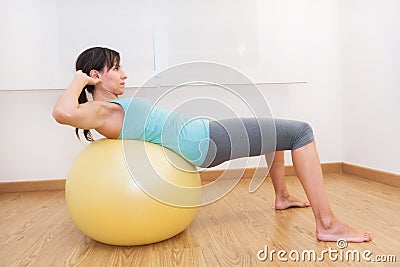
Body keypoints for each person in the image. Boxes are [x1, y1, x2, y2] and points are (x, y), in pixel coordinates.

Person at [53, 47, 372, 243]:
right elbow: (63, 112)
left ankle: (283, 196)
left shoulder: (106, 110)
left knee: (272, 129)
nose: (124, 74)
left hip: (203, 136)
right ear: (97, 75)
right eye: (117, 67)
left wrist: (85, 82)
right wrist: (80, 80)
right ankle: (328, 224)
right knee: (301, 132)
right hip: (206, 139)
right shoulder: (101, 110)